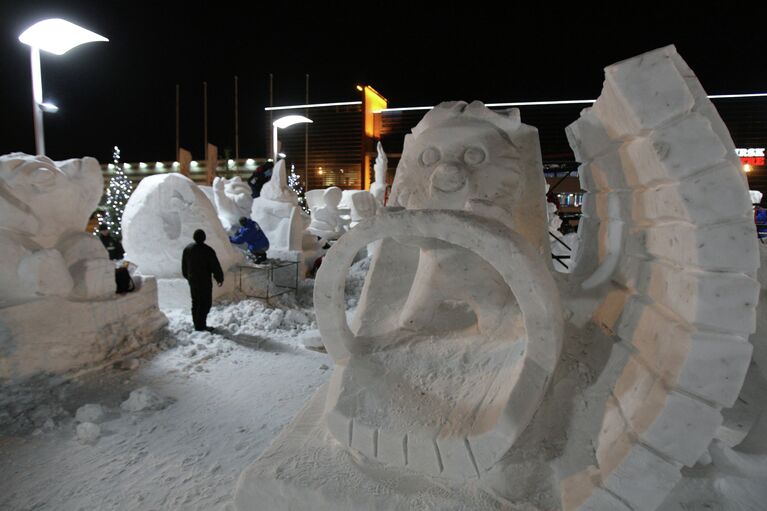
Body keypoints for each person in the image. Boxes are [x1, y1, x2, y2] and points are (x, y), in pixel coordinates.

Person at [182, 229, 224, 332]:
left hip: (193, 280)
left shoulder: (188, 249)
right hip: (204, 281)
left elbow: (184, 266)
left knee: (196, 302)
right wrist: (219, 278)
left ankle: (197, 324)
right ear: (204, 238)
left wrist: (188, 277)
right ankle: (200, 326)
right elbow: (215, 266)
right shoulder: (208, 250)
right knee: (205, 303)